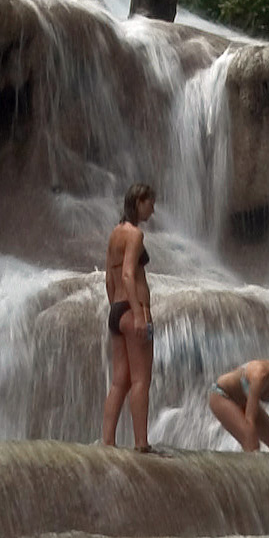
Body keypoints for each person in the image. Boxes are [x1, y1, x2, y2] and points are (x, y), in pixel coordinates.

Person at [101, 183, 157, 453]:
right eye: (150, 204)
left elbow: (108, 279)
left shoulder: (114, 234)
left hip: (116, 310)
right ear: (139, 202)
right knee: (140, 380)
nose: (153, 210)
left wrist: (117, 310)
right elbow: (126, 274)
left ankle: (108, 442)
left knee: (119, 380)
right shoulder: (135, 235)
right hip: (134, 311)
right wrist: (137, 314)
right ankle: (141, 443)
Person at [209, 350, 269, 453]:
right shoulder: (260, 375)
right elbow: (250, 419)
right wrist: (251, 444)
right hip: (222, 395)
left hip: (245, 403)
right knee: (252, 443)